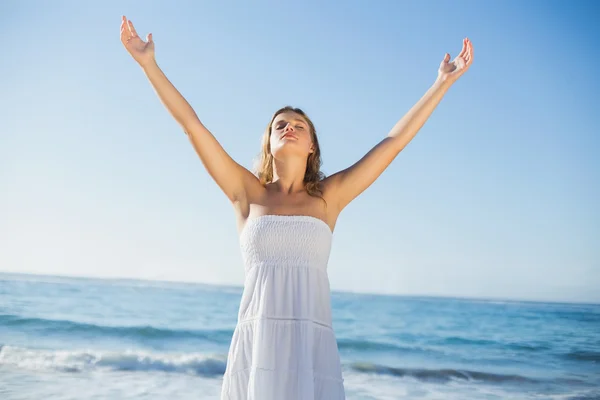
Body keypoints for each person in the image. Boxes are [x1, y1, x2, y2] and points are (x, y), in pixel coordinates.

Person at [120, 15, 473, 400]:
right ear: (268, 144)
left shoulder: (329, 197)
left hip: (311, 349)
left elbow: (393, 142)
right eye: (280, 125)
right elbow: (193, 126)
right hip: (258, 349)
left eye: (298, 126)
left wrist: (442, 83)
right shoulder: (246, 192)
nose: (289, 128)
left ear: (311, 147)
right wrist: (149, 65)